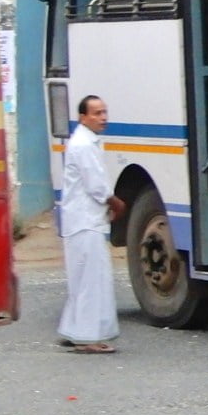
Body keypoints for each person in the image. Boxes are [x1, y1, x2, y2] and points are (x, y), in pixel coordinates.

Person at [58, 95, 124, 354]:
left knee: (81, 278)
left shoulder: (84, 141)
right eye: (96, 113)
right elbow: (96, 184)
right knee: (91, 280)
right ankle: (88, 337)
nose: (103, 118)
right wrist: (115, 202)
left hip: (81, 220)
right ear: (83, 117)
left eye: (104, 112)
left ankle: (74, 329)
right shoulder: (84, 145)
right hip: (86, 221)